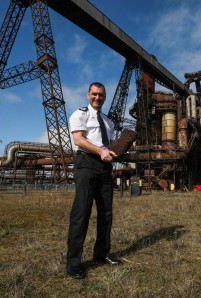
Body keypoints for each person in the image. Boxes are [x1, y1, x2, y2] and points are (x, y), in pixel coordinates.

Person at [66, 82, 122, 279]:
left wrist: (116, 151)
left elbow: (107, 146)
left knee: (106, 213)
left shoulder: (108, 121)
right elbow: (79, 140)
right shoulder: (80, 114)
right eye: (94, 94)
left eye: (101, 95)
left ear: (105, 97)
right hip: (87, 164)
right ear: (88, 95)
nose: (97, 98)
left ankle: (102, 254)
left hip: (105, 167)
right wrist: (100, 151)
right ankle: (73, 263)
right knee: (81, 212)